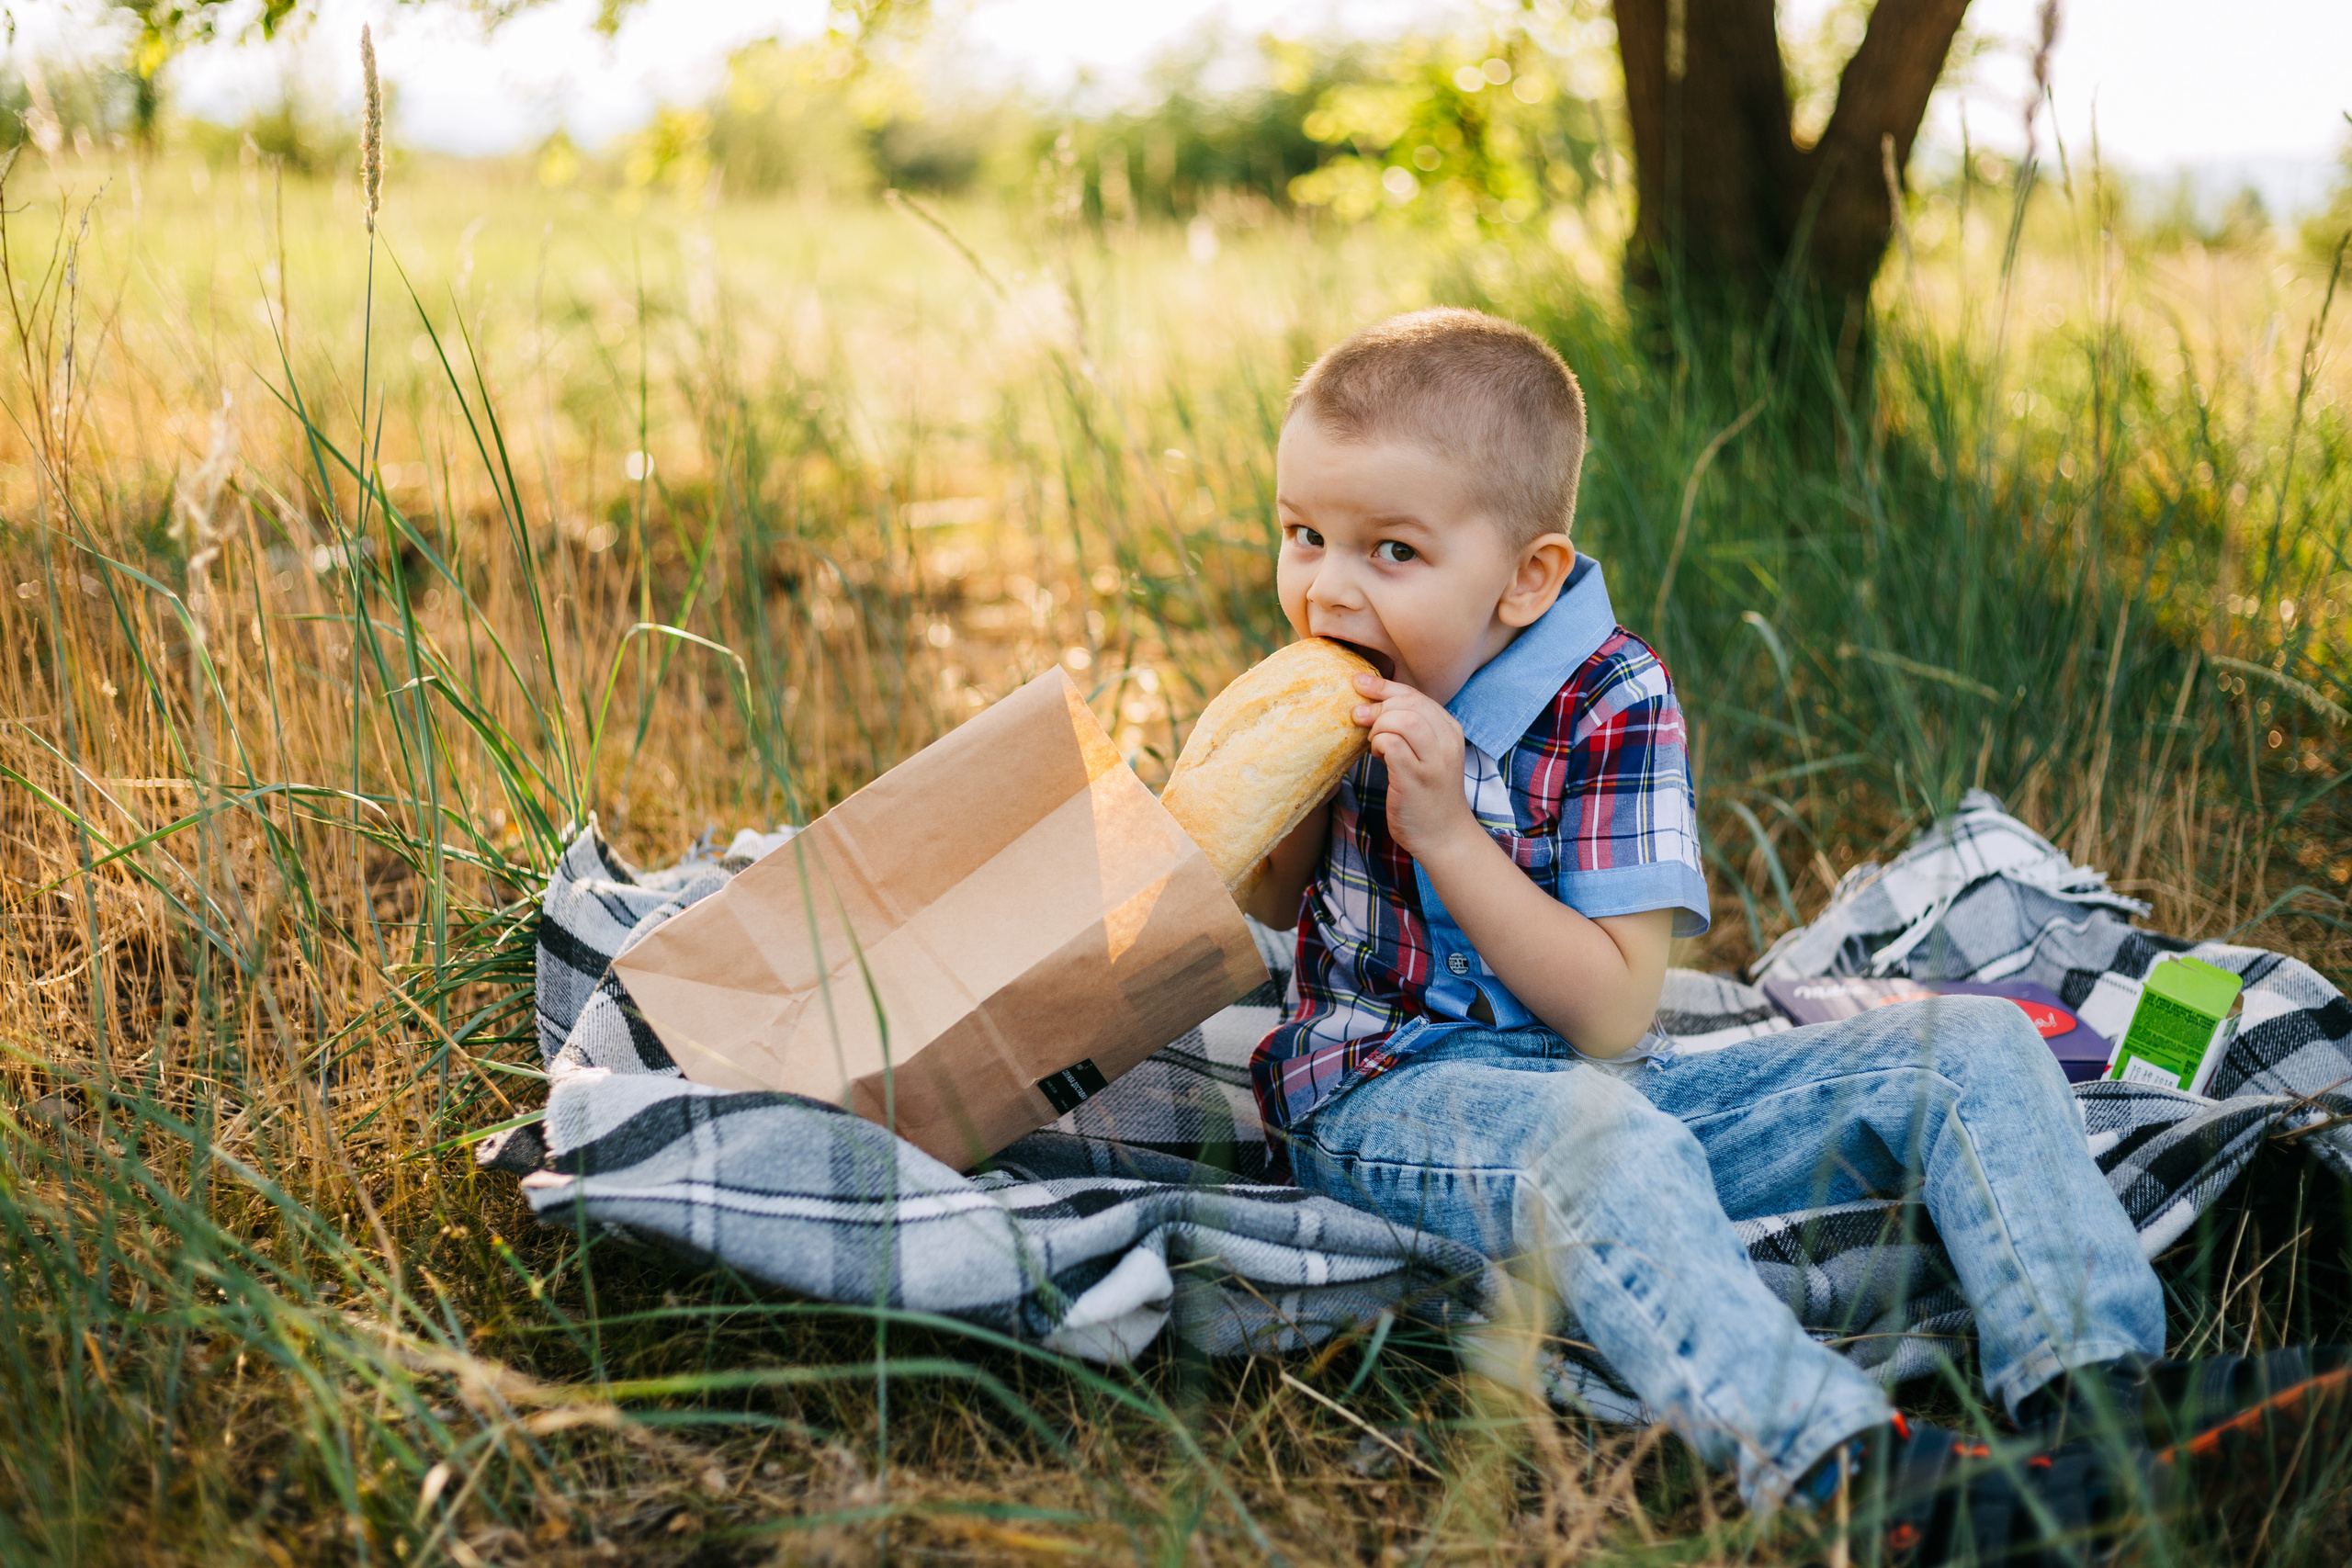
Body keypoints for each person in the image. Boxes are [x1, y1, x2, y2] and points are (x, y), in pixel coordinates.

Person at [1243, 307, 2348, 1559]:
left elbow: (1610, 1014)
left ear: (1528, 576)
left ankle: (2100, 1403)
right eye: (1301, 535)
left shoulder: (1611, 703)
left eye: (1389, 549)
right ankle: (1856, 1477)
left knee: (1972, 1050)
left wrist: (1448, 834)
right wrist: (1251, 801)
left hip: (1600, 1071)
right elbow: (1279, 904)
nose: (1324, 585)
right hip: (1376, 1091)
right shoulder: (1330, 675)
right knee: (1607, 1150)